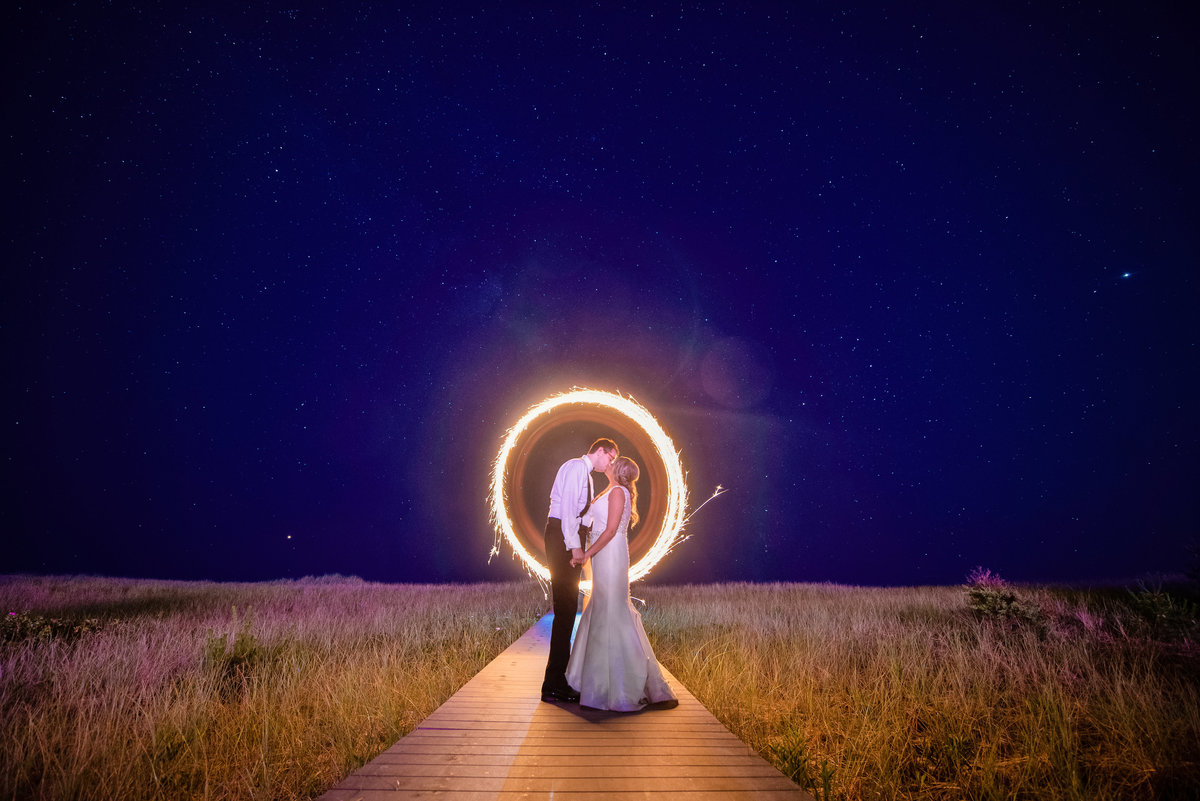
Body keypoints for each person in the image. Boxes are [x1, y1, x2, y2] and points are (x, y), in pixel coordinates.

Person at [565, 456, 679, 711]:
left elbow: (611, 530)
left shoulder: (617, 492)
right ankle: (600, 684)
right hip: (604, 553)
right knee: (603, 607)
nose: (610, 461)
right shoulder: (612, 489)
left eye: (614, 461)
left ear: (618, 470)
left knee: (612, 609)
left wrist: (587, 553)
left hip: (610, 553)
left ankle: (619, 686)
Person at [541, 438, 619, 703]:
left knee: (566, 609)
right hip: (562, 537)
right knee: (564, 610)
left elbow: (582, 513)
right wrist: (575, 547)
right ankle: (553, 684)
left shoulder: (587, 476)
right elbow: (566, 513)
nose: (611, 463)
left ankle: (555, 681)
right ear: (601, 451)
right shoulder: (576, 467)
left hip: (568, 537)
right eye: (611, 458)